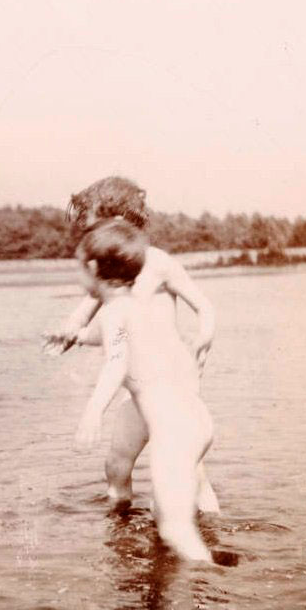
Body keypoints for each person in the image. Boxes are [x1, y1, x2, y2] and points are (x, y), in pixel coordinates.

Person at [43, 176, 220, 513]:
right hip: (139, 389)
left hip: (170, 385)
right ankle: (121, 528)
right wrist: (67, 335)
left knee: (191, 472)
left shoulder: (157, 263)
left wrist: (204, 338)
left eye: (94, 228)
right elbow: (84, 312)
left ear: (121, 222)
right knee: (116, 463)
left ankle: (212, 535)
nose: (90, 238)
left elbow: (204, 306)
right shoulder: (111, 267)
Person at [74, 219, 214, 562]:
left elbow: (116, 362)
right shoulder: (138, 308)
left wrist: (93, 411)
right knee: (168, 517)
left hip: (174, 430)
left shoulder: (114, 313)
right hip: (195, 417)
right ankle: (198, 567)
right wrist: (74, 336)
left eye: (77, 269)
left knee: (174, 531)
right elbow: (105, 337)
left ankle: (218, 586)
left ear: (92, 268)